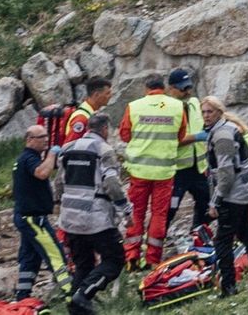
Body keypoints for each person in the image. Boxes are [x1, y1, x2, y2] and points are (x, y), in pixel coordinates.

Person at [57, 114, 128, 315]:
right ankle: (83, 295)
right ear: (105, 129)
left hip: (70, 218)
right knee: (114, 260)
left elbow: (58, 183)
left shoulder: (67, 148)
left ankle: (76, 306)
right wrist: (125, 209)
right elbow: (112, 184)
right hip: (96, 217)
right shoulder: (104, 150)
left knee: (84, 265)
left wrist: (59, 205)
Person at [200, 96, 248, 297]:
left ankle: (229, 286)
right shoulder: (228, 128)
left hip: (233, 194)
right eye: (203, 112)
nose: (206, 116)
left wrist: (215, 201)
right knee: (244, 230)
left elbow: (226, 173)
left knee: (223, 240)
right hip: (245, 191)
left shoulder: (222, 136)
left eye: (210, 112)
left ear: (219, 112)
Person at [117, 75, 187, 268]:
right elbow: (181, 135)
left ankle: (132, 255)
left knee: (136, 213)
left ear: (146, 88)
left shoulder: (134, 106)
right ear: (163, 88)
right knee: (159, 215)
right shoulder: (177, 106)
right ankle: (153, 259)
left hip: (139, 171)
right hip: (164, 172)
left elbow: (124, 135)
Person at [11, 125, 71, 301]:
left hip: (25, 216)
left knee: (30, 258)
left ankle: (23, 297)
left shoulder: (26, 159)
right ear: (30, 140)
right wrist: (52, 154)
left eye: (46, 136)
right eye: (41, 137)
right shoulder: (29, 158)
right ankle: (72, 294)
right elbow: (42, 173)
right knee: (56, 255)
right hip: (34, 219)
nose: (46, 139)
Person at [165, 68, 211, 241]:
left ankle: (198, 237)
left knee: (205, 203)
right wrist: (197, 137)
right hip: (176, 170)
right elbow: (170, 140)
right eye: (183, 88)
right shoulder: (167, 109)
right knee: (170, 208)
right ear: (171, 88)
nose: (188, 91)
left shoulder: (193, 104)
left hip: (198, 168)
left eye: (189, 87)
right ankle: (155, 243)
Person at [64, 78, 112, 145]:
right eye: (107, 93)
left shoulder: (91, 113)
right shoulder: (82, 118)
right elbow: (71, 146)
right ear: (96, 95)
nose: (110, 96)